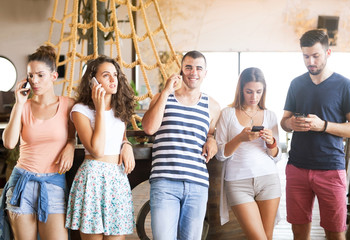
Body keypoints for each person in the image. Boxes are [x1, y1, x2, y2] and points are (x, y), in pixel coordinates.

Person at [280, 29, 350, 240]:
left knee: (335, 233)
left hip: (330, 169)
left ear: (328, 53)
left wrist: (323, 125)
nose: (310, 61)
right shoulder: (296, 84)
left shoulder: (345, 85)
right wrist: (292, 123)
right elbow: (284, 122)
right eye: (306, 56)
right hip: (296, 168)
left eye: (315, 55)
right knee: (298, 232)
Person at [142, 50, 221, 240]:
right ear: (181, 70)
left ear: (205, 73)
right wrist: (166, 92)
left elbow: (212, 134)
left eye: (198, 68)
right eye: (188, 67)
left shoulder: (212, 106)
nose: (193, 72)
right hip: (164, 182)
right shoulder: (163, 97)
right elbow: (149, 128)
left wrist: (212, 139)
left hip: (197, 185)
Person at [0, 45, 75, 240]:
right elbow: (9, 142)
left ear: (53, 76)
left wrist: (70, 145)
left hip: (53, 184)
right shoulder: (23, 106)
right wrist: (19, 103)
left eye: (40, 75)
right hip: (21, 184)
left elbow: (73, 134)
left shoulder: (69, 105)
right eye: (30, 75)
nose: (34, 80)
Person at [65, 55, 135, 240]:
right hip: (92, 179)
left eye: (115, 74)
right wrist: (100, 107)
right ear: (93, 80)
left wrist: (126, 144)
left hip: (117, 179)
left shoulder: (120, 108)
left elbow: (119, 135)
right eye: (106, 75)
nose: (113, 79)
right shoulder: (80, 110)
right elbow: (97, 150)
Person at [215, 67, 282, 239]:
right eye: (249, 91)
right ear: (241, 90)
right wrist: (240, 138)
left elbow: (276, 156)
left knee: (267, 236)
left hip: (268, 180)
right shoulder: (227, 114)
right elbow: (220, 154)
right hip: (238, 183)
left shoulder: (270, 115)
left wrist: (271, 142)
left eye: (259, 92)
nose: (254, 97)